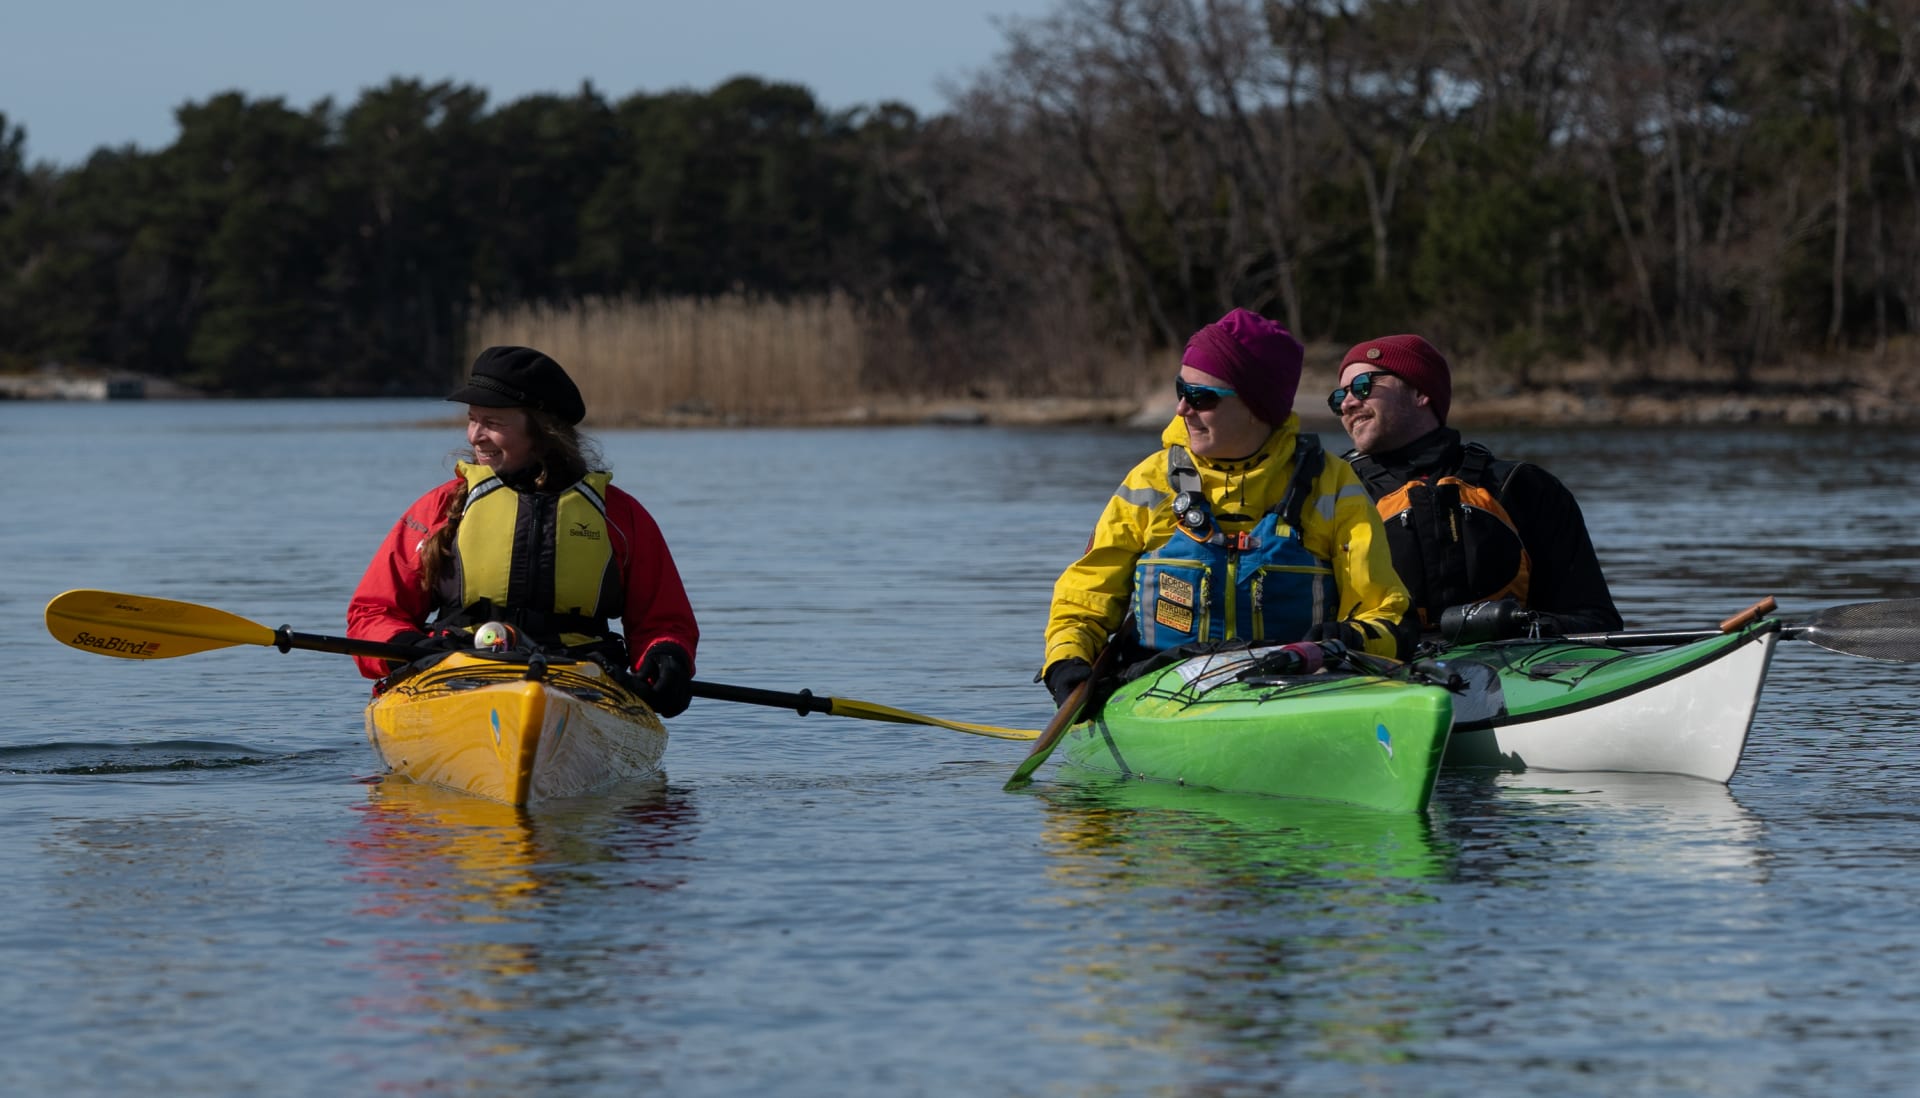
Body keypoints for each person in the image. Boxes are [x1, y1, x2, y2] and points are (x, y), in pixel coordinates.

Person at [1041, 309, 1412, 706]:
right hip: (1159, 691)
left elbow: (1383, 612)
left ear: (1257, 408)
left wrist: (1350, 639)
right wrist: (1066, 662)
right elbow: (1083, 602)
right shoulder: (1147, 482)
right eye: (1180, 390)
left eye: (1202, 398)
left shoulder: (1334, 485)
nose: (1183, 409)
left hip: (1296, 688)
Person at [347, 345, 701, 716]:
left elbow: (664, 620)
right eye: (472, 419)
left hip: (581, 678)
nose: (475, 436)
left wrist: (667, 656)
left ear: (543, 430)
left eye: (493, 423)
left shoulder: (620, 515)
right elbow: (374, 610)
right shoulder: (440, 509)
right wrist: (404, 644)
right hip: (453, 672)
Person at [1329, 334, 1622, 638]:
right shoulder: (1331, 495)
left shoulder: (1522, 487)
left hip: (1516, 668)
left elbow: (1596, 620)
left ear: (1419, 393)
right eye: (1339, 397)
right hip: (1377, 670)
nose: (1348, 404)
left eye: (1363, 386)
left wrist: (1523, 627)